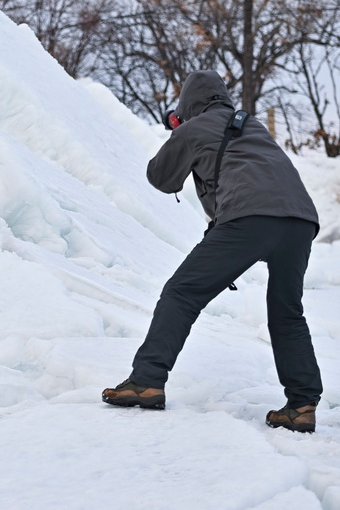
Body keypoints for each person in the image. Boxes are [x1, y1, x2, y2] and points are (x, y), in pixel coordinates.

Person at [102, 70, 323, 434]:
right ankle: (301, 405)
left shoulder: (193, 128)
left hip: (250, 218)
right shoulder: (251, 126)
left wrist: (180, 131)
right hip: (300, 221)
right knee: (287, 313)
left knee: (182, 293)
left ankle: (146, 381)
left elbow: (161, 178)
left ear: (187, 104)